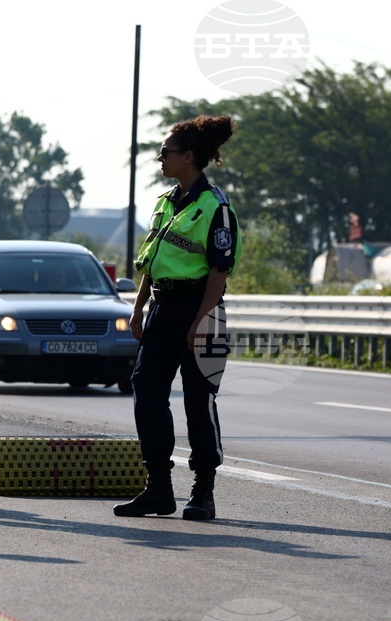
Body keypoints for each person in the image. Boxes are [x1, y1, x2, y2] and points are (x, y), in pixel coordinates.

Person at [114, 114, 242, 521]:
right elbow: (152, 261)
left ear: (188, 156)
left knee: (198, 397)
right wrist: (137, 308)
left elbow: (218, 274)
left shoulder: (215, 207)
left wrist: (200, 321)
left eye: (165, 152)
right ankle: (158, 488)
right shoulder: (166, 203)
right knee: (146, 390)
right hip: (162, 308)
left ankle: (203, 491)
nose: (159, 158)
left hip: (199, 307)